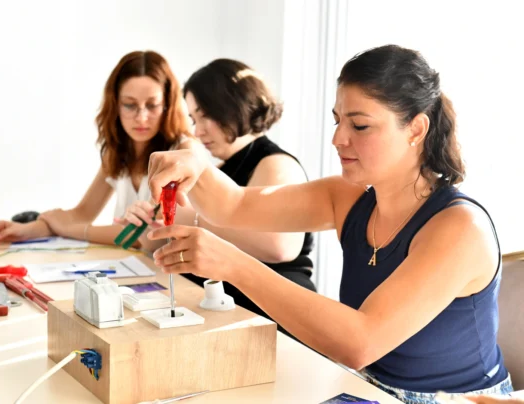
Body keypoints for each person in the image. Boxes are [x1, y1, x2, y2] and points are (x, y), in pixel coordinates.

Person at [144, 45, 513, 402]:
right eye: (338, 121)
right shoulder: (347, 197)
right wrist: (194, 163)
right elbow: (233, 206)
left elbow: (360, 342)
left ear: (416, 129)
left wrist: (233, 265)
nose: (338, 139)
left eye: (360, 125)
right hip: (364, 390)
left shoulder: (461, 229)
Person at [118, 58, 316, 324]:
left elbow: (278, 246)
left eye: (205, 116)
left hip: (272, 314)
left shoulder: (275, 163)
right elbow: (173, 239)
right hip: (219, 306)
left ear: (234, 107)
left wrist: (190, 219)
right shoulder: (219, 170)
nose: (197, 131)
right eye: (193, 119)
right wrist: (149, 226)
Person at [0, 50, 191, 246]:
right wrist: (27, 229)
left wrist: (71, 230)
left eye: (152, 105)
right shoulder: (118, 150)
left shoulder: (183, 153)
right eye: (130, 105)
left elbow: (140, 235)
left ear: (167, 104)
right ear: (115, 104)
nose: (141, 117)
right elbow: (82, 214)